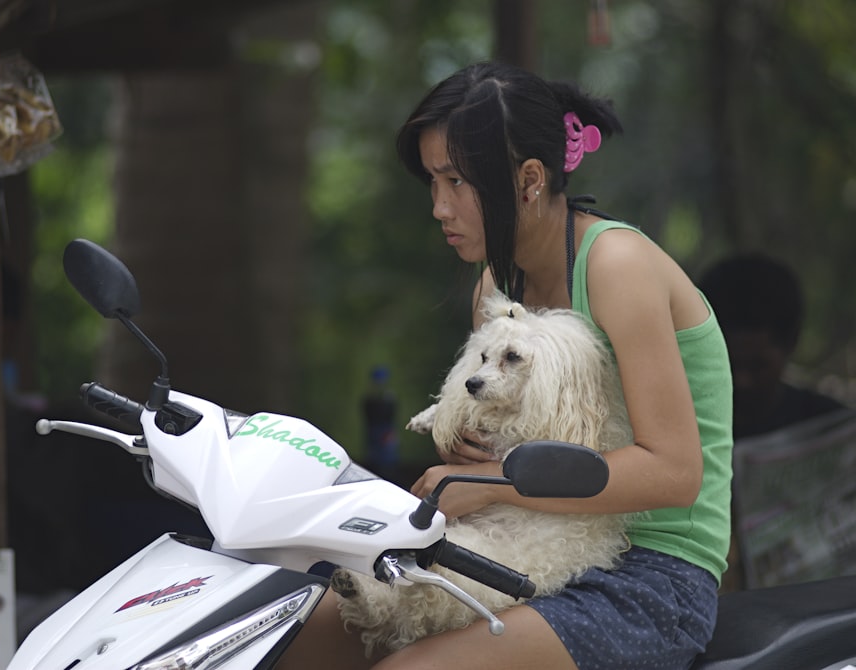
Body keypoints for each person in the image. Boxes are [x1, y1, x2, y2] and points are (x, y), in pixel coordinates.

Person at [278, 61, 733, 670]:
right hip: (515, 542)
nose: (440, 207)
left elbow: (674, 473)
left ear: (529, 180)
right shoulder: (496, 284)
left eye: (457, 182)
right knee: (294, 632)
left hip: (648, 574)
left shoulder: (615, 266)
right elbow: (485, 450)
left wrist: (489, 481)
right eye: (432, 183)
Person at [697, 253, 846, 441]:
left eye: (756, 366)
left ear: (790, 344)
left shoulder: (829, 426)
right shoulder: (676, 424)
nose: (742, 380)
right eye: (729, 365)